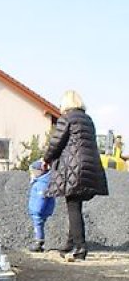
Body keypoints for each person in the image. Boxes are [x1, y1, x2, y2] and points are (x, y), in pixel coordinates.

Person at [44, 90, 108, 261]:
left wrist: (46, 159)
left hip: (74, 167)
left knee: (72, 205)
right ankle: (70, 244)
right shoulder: (88, 120)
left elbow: (56, 142)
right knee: (76, 205)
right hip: (90, 166)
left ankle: (80, 247)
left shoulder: (67, 118)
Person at [28, 160, 55, 252]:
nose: (32, 174)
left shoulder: (41, 184)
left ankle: (38, 242)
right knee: (39, 225)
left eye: (33, 171)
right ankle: (39, 242)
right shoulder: (43, 182)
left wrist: (37, 210)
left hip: (38, 211)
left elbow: (41, 199)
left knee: (38, 225)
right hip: (39, 210)